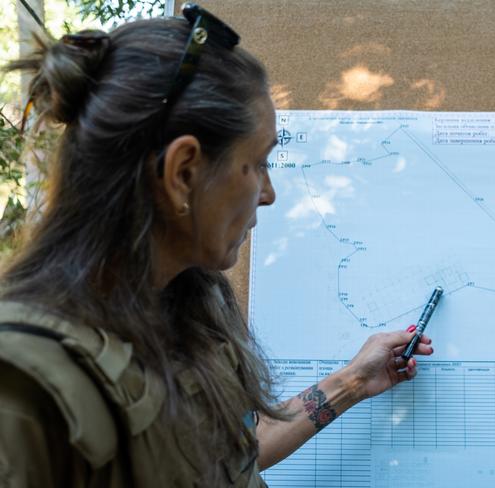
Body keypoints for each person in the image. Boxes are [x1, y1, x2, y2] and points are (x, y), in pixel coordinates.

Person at [0, 4, 433, 487]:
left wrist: (352, 381)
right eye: (259, 163)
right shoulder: (22, 380)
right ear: (183, 173)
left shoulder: (188, 312)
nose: (268, 194)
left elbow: (232, 456)